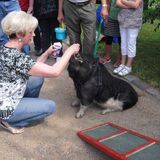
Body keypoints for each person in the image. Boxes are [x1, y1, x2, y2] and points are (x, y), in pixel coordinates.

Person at [0, 11, 80, 134]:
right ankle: (9, 120)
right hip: (4, 107)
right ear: (19, 34)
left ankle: (25, 109)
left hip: (6, 95)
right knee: (50, 107)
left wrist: (47, 52)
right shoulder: (17, 57)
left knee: (37, 79)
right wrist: (69, 51)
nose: (34, 35)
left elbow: (32, 67)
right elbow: (54, 72)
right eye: (30, 32)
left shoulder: (6, 47)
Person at [113, 0, 143, 76]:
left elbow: (136, 5)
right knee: (123, 43)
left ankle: (128, 66)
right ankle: (122, 64)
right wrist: (130, 5)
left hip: (134, 21)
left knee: (131, 44)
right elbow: (117, 3)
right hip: (123, 20)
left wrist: (123, 1)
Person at [100, 0, 121, 67]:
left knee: (122, 39)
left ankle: (119, 59)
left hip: (124, 18)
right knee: (108, 37)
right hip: (112, 17)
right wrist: (106, 18)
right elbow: (108, 3)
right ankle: (107, 57)